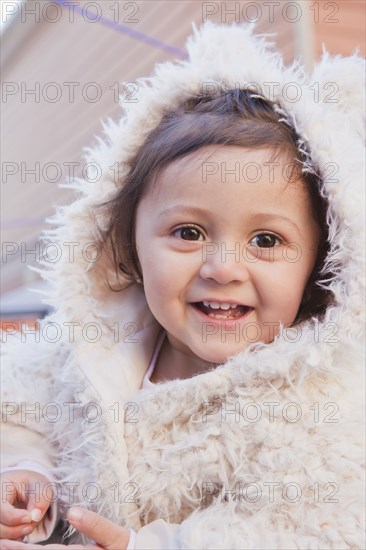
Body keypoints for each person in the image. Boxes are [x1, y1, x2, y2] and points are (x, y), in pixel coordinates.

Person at [1, 22, 365, 550]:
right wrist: (23, 472)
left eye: (265, 240)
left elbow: (307, 529)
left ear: (320, 263)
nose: (222, 267)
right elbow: (17, 409)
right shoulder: (79, 354)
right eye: (188, 232)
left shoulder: (318, 402)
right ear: (128, 244)